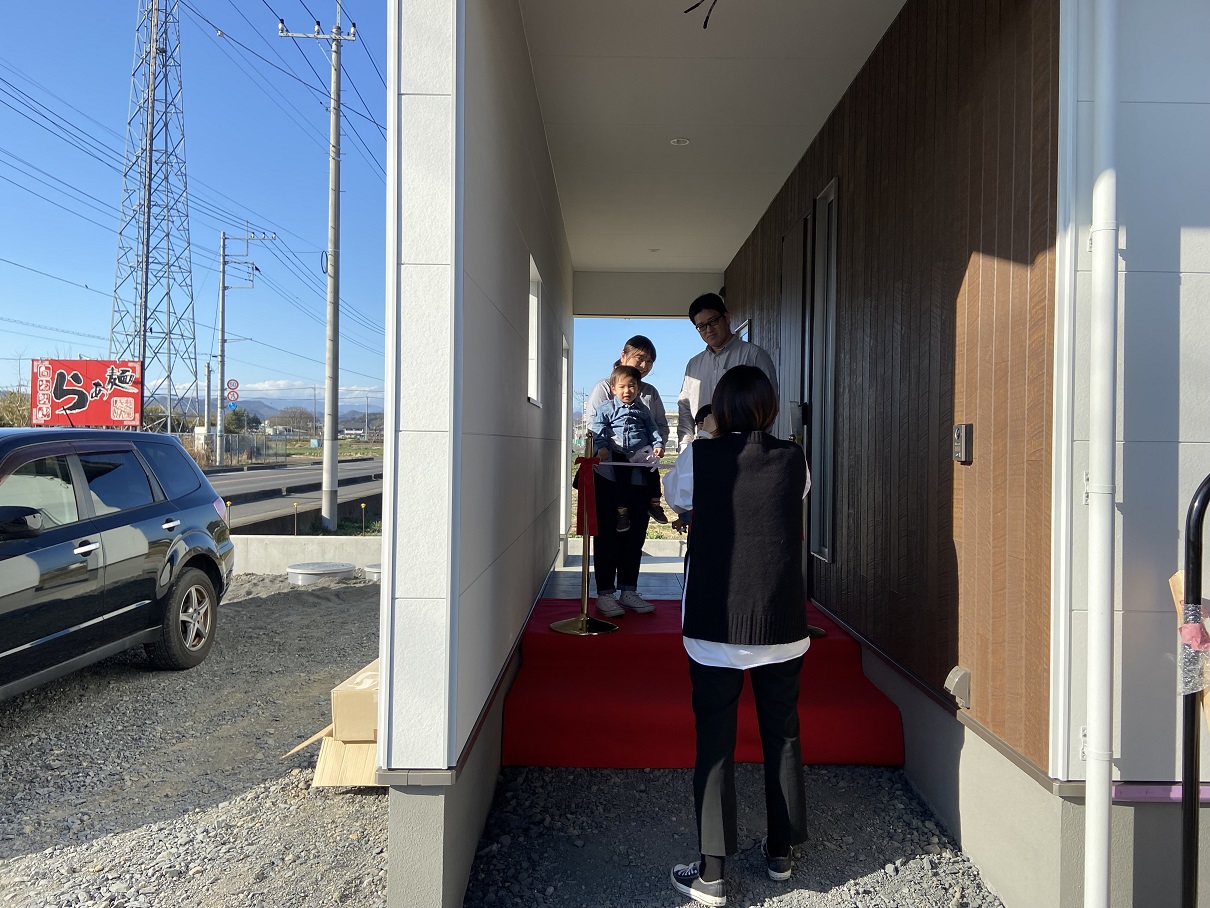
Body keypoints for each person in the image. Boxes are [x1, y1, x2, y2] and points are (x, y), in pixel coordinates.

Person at [662, 365, 811, 906]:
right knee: (783, 734)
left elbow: (676, 498)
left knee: (715, 743)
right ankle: (781, 853)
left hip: (715, 622)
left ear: (721, 409)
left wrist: (706, 438)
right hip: (779, 621)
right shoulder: (794, 458)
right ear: (768, 408)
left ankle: (712, 874)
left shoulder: (700, 456)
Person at [676, 293, 779, 452]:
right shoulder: (694, 365)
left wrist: (756, 448)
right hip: (703, 447)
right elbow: (685, 409)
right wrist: (686, 448)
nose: (709, 329)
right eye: (701, 326)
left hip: (744, 450)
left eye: (713, 321)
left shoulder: (753, 355)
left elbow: (768, 404)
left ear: (727, 318)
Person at [585, 335, 670, 524]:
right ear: (623, 356)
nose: (644, 365)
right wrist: (616, 448)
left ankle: (655, 505)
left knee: (636, 534)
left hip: (642, 474)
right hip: (609, 473)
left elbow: (659, 425)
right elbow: (594, 425)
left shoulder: (651, 392)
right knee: (608, 533)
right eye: (640, 358)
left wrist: (656, 446)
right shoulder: (604, 387)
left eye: (650, 361)